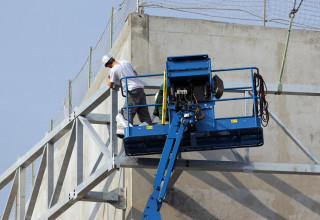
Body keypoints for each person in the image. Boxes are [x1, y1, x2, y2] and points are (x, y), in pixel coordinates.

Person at [102, 55, 152, 126]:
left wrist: (108, 77)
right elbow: (135, 74)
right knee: (143, 111)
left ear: (108, 64)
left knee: (128, 111)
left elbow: (110, 85)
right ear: (113, 58)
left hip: (132, 91)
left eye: (107, 66)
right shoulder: (126, 62)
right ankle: (148, 126)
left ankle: (127, 128)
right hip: (140, 88)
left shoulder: (113, 70)